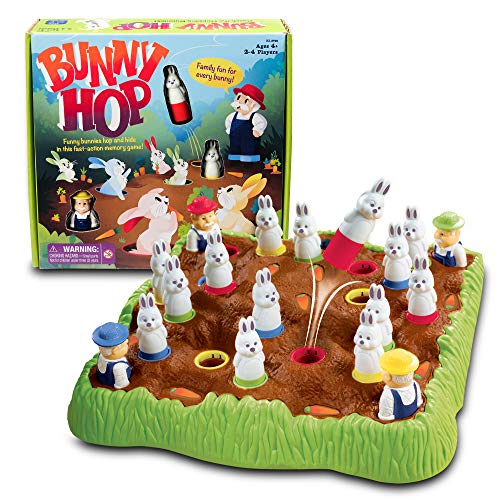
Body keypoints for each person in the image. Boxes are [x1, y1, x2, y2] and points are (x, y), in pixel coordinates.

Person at [225, 83, 267, 163]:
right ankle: (234, 159)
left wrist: (257, 130)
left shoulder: (254, 116)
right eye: (238, 97)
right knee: (234, 155)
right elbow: (228, 121)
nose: (240, 102)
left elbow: (262, 122)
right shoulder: (233, 115)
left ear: (254, 105)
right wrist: (229, 128)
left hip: (249, 144)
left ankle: (248, 162)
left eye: (246, 100)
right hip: (235, 143)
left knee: (248, 157)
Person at [378, 348, 423, 421]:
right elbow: (419, 403)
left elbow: (385, 416)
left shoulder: (388, 394)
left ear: (387, 376)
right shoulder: (415, 385)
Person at [92, 322, 131, 389]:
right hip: (111, 385)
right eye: (124, 345)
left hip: (102, 380)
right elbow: (122, 384)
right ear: (115, 351)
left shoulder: (101, 356)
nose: (127, 346)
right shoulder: (119, 366)